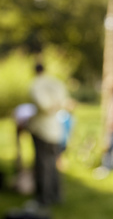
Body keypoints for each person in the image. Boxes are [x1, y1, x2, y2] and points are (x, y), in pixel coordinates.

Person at [27, 63, 67, 207]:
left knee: (42, 164)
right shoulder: (55, 83)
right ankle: (56, 195)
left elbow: (43, 105)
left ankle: (44, 197)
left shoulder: (36, 85)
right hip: (56, 129)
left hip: (43, 131)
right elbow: (62, 101)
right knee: (52, 163)